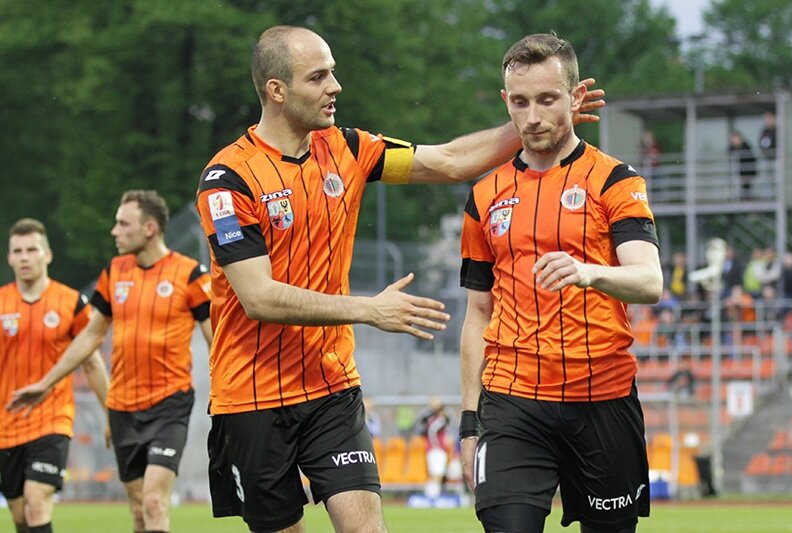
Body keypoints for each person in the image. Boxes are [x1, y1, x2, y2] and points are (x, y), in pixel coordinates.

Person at [194, 24, 605, 533]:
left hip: (332, 387)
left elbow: (451, 160)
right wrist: (369, 309)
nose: (335, 86)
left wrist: (535, 122)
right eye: (318, 77)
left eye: (333, 73)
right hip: (250, 396)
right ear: (277, 90)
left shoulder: (349, 148)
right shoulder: (227, 180)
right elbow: (258, 297)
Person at [458, 33, 662, 533]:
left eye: (547, 100)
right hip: (512, 400)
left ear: (575, 97)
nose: (532, 117)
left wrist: (590, 272)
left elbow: (649, 280)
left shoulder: (616, 181)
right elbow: (478, 314)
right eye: (520, 102)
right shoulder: (484, 196)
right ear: (506, 101)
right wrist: (468, 423)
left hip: (603, 396)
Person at [9, 192, 212, 533]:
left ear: (149, 228)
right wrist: (46, 383)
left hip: (169, 406)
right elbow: (91, 335)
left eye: (122, 224)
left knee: (154, 501)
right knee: (138, 511)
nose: (114, 231)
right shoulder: (114, 272)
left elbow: (215, 339)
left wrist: (226, 393)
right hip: (122, 409)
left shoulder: (190, 275)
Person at [1, 218, 109, 533]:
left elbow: (91, 363)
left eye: (31, 249)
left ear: (47, 255)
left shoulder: (71, 303)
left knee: (37, 501)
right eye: (17, 251)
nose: (24, 257)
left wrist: (110, 414)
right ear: (9, 258)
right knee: (21, 515)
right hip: (6, 424)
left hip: (53, 419)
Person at [411, 396, 452, 499]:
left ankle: (432, 494)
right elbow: (431, 432)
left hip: (435, 449)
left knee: (437, 473)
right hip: (436, 449)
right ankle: (433, 495)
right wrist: (435, 444)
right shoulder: (434, 420)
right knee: (436, 473)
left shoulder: (435, 419)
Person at [728, 130, 757, 199]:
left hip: (746, 172)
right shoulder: (731, 148)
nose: (735, 140)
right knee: (737, 186)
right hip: (736, 172)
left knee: (746, 186)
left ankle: (746, 198)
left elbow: (751, 159)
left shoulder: (746, 146)